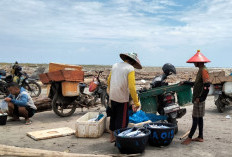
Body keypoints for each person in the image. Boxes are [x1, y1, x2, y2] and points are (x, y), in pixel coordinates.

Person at [107, 53, 142, 142]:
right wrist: (136, 102)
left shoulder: (115, 65)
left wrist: (110, 92)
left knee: (113, 117)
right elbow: (132, 87)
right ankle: (119, 141)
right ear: (133, 62)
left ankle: (111, 138)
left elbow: (109, 80)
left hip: (112, 96)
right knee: (122, 121)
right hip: (122, 98)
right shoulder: (130, 68)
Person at [182, 50, 211, 145]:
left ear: (199, 62)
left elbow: (207, 86)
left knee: (195, 118)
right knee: (199, 118)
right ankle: (200, 137)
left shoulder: (204, 71)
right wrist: (186, 82)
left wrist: (201, 98)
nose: (194, 63)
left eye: (195, 62)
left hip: (199, 99)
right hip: (198, 98)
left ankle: (189, 137)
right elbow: (197, 84)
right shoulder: (201, 70)